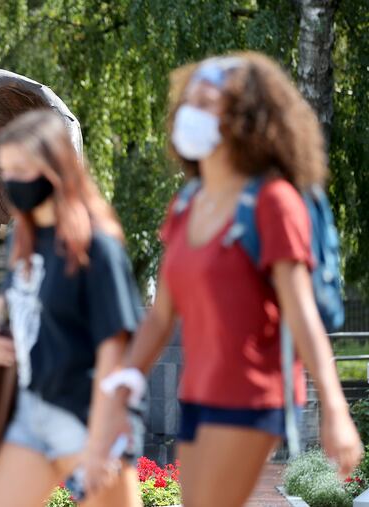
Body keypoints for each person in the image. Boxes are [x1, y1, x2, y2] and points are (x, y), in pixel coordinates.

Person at [88, 52, 363, 507]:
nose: (190, 112)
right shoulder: (186, 204)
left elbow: (302, 315)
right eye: (188, 102)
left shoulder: (273, 203)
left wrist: (336, 411)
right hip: (197, 391)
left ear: (244, 118)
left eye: (207, 102)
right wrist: (123, 384)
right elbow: (161, 318)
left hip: (254, 393)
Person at [0, 109, 144, 507]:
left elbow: (114, 349)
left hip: (85, 415)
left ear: (54, 168)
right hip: (31, 412)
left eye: (22, 168)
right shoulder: (26, 237)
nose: (11, 181)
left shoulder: (97, 248)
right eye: (5, 170)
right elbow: (13, 294)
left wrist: (101, 440)